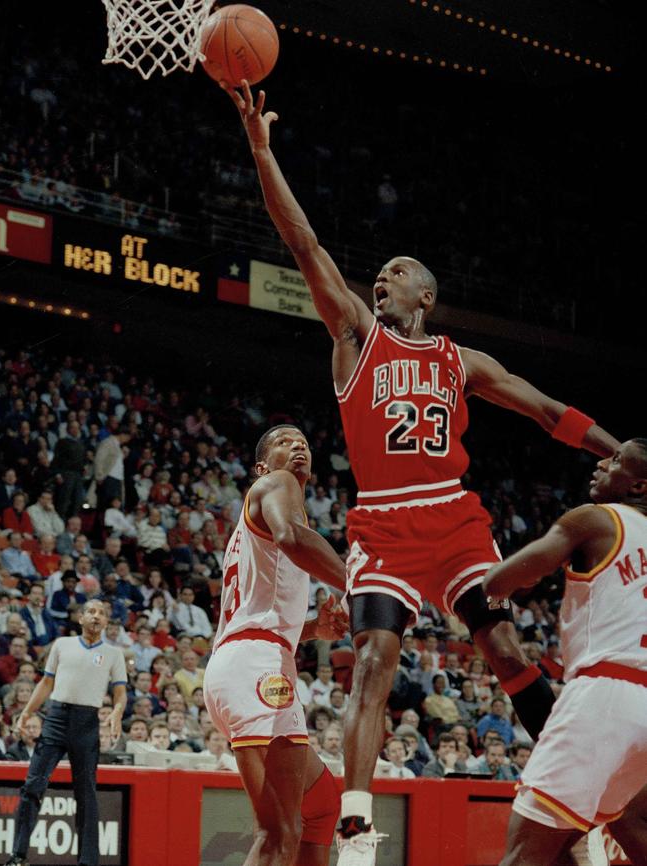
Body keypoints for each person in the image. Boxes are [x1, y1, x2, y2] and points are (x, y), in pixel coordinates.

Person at [223, 79, 620, 862]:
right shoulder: (355, 337)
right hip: (384, 520)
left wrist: (624, 457)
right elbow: (302, 242)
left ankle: (577, 801)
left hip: (455, 514)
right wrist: (263, 151)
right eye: (382, 270)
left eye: (399, 269)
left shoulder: (460, 359)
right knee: (373, 659)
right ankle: (359, 828)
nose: (384, 275)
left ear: (427, 294)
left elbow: (546, 411)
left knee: (507, 650)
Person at [484, 438, 647, 866]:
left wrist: (527, 575)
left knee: (524, 854)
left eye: (615, 461)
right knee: (611, 831)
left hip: (604, 695)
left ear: (638, 487)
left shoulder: (594, 520)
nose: (601, 463)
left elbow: (498, 583)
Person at [203, 425, 349, 866]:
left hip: (254, 656)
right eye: (285, 441)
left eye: (303, 440)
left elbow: (261, 611)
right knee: (277, 835)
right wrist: (358, 582)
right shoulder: (277, 484)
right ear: (262, 467)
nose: (298, 444)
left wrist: (313, 631)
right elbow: (291, 537)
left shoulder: (261, 520)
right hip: (255, 664)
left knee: (322, 804)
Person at [3, 599, 127, 866]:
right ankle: (18, 856)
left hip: (87, 722)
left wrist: (117, 712)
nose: (97, 616)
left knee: (86, 794)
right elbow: (46, 683)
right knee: (33, 785)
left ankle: (88, 861)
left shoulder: (114, 654)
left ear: (106, 622)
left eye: (102, 614)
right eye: (92, 612)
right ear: (80, 618)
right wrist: (26, 713)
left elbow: (120, 693)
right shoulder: (62, 645)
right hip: (56, 717)